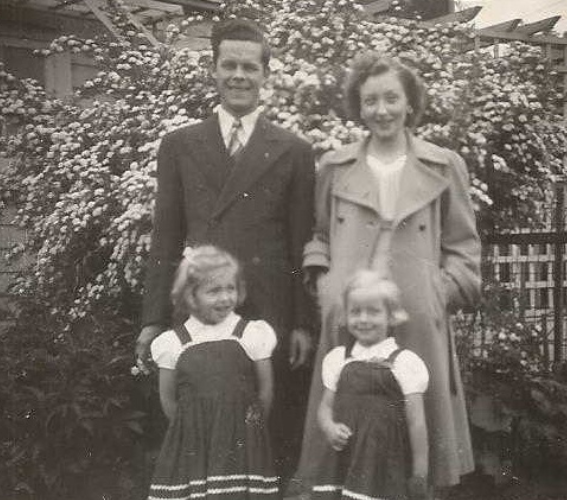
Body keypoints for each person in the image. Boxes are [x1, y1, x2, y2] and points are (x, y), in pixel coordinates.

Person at [136, 17, 317, 476]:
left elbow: (302, 242)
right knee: (201, 434)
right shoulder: (179, 144)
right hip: (200, 311)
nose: (239, 75)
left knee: (267, 435)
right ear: (213, 70)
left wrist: (302, 322)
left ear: (265, 74)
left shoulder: (294, 150)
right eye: (229, 65)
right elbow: (165, 236)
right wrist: (154, 318)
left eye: (249, 67)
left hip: (269, 311)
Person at [296, 52, 482, 494]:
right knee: (344, 430)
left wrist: (438, 292)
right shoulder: (335, 166)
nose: (382, 110)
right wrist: (326, 285)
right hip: (352, 316)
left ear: (410, 102)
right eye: (371, 100)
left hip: (413, 317)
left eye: (391, 98)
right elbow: (319, 235)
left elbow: (464, 248)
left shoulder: (443, 165)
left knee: (417, 436)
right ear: (358, 107)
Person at [148, 245, 280, 499]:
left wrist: (251, 430)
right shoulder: (174, 342)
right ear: (191, 296)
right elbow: (168, 399)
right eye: (214, 291)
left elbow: (266, 390)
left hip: (242, 443)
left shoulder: (250, 333)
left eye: (231, 288)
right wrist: (191, 429)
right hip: (195, 444)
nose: (225, 298)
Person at [306, 270, 431, 500]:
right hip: (344, 456)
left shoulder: (404, 362)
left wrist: (419, 474)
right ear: (345, 315)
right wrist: (329, 427)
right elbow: (325, 407)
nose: (363, 319)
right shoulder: (339, 359)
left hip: (382, 461)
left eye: (373, 311)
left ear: (391, 316)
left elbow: (416, 422)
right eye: (355, 311)